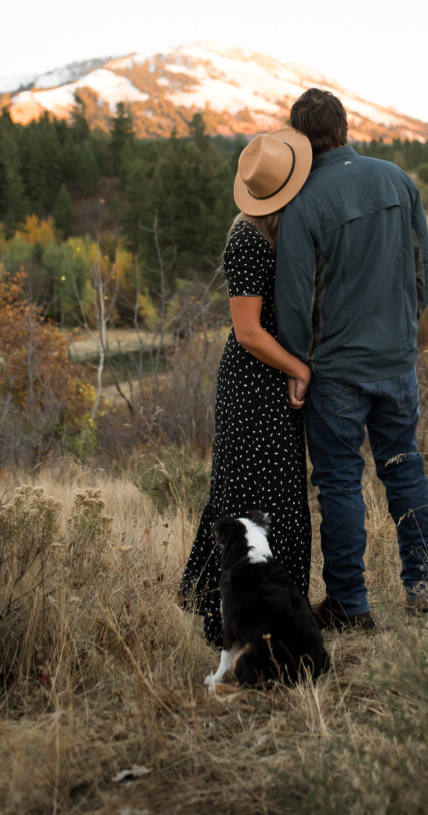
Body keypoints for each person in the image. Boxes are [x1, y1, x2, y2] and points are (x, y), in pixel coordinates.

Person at [274, 88, 428, 631]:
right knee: (404, 466)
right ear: (345, 127)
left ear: (301, 141)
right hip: (397, 359)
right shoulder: (396, 178)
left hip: (336, 372)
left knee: (340, 483)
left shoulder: (302, 202)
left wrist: (298, 365)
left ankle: (350, 605)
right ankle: (423, 587)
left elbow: (293, 301)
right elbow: (423, 267)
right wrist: (405, 326)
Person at [180, 127, 314, 648]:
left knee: (280, 495)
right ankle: (230, 617)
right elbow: (248, 333)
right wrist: (299, 369)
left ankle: (280, 610)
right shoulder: (247, 240)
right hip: (252, 382)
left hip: (269, 377)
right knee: (245, 494)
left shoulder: (277, 232)